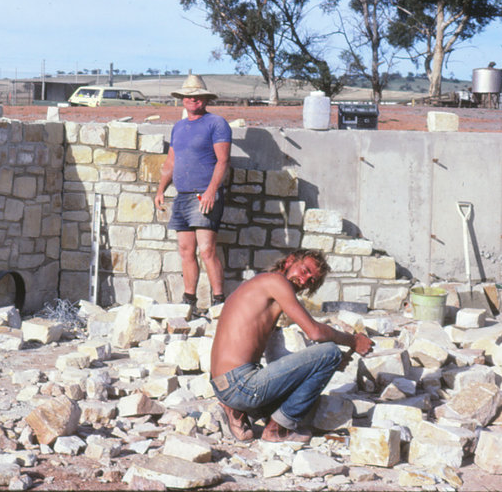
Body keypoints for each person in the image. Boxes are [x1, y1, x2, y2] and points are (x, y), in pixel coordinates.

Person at [209, 249, 374, 443]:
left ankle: (237, 411)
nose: (304, 281)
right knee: (330, 353)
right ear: (289, 261)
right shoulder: (277, 282)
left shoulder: (259, 285)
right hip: (241, 385)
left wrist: (314, 366)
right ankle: (278, 428)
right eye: (304, 271)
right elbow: (315, 332)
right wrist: (354, 341)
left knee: (312, 373)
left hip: (222, 385)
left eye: (311, 281)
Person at [154, 74, 231, 311]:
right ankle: (189, 302)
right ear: (182, 99)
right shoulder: (178, 127)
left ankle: (219, 302)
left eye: (197, 97)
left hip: (203, 195)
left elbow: (223, 160)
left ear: (205, 99)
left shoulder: (216, 123)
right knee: (186, 250)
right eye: (188, 96)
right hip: (182, 195)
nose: (192, 100)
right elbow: (171, 162)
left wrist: (211, 192)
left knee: (207, 250)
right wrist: (160, 190)